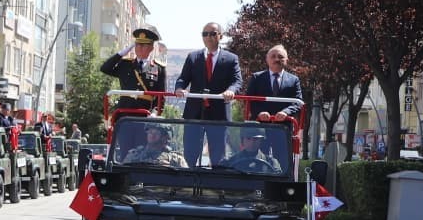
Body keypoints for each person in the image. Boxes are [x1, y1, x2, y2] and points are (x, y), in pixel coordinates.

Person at [172, 21, 243, 167]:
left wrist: (231, 90)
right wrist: (179, 88)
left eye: (212, 33)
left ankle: (216, 187)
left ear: (220, 36)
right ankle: (188, 185)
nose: (208, 37)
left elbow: (237, 81)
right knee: (190, 153)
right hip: (194, 112)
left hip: (219, 113)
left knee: (218, 156)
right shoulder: (193, 57)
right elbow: (183, 79)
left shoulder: (231, 59)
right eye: (205, 34)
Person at [100, 26, 168, 113]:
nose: (139, 47)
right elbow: (105, 68)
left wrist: (155, 113)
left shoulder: (159, 68)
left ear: (151, 48)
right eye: (137, 44)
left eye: (143, 45)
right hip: (124, 113)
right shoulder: (125, 64)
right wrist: (121, 53)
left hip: (145, 114)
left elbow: (161, 96)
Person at [244, 46, 303, 124]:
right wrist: (260, 112)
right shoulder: (256, 77)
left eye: (280, 57)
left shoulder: (294, 80)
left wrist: (286, 112)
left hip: (283, 127)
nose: (276, 59)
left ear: (286, 60)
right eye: (273, 56)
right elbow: (248, 100)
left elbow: (298, 102)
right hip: (259, 124)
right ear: (267, 60)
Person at [122, 123, 187, 167]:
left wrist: (170, 170)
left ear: (165, 137)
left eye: (156, 133)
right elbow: (121, 174)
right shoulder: (134, 155)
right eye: (150, 132)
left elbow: (187, 180)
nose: (152, 135)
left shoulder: (176, 159)